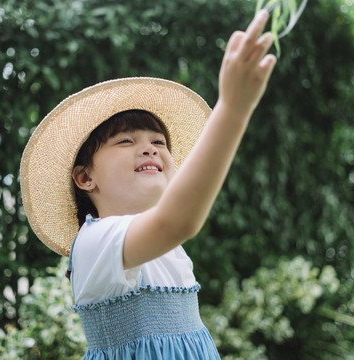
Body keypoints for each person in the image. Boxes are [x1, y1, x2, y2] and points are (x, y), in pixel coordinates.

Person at [20, 9, 276, 359]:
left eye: (160, 143)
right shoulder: (95, 242)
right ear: (85, 177)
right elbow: (177, 221)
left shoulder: (169, 249)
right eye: (125, 142)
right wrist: (233, 107)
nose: (149, 148)